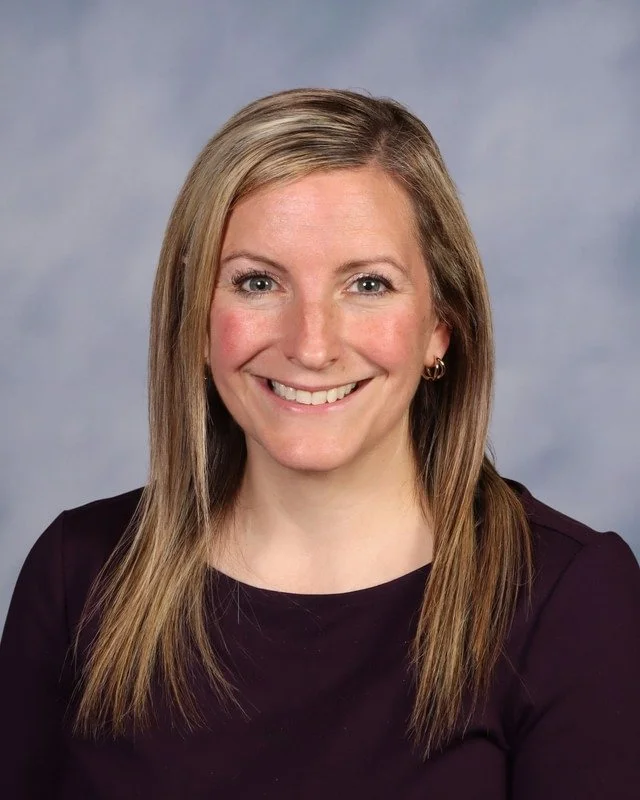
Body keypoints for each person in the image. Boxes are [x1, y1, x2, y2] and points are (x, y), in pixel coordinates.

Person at [1, 88, 638, 800]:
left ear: (440, 326)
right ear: (197, 322)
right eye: (257, 282)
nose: (311, 345)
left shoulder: (569, 600)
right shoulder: (77, 576)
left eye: (367, 284)